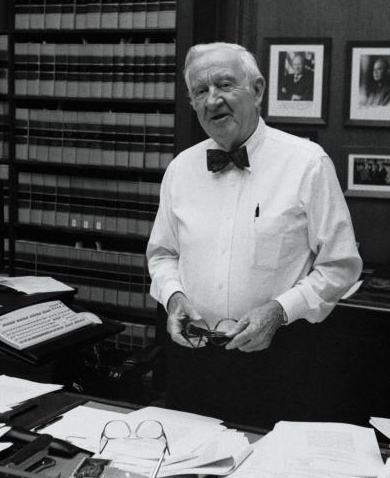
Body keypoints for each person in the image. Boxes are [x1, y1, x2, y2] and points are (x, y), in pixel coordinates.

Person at [146, 42, 362, 425]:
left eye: (225, 85)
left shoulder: (307, 163)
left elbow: (340, 267)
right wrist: (173, 297)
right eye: (200, 91)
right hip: (193, 359)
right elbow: (163, 255)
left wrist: (279, 312)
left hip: (280, 363)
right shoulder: (181, 170)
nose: (213, 101)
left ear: (258, 90)